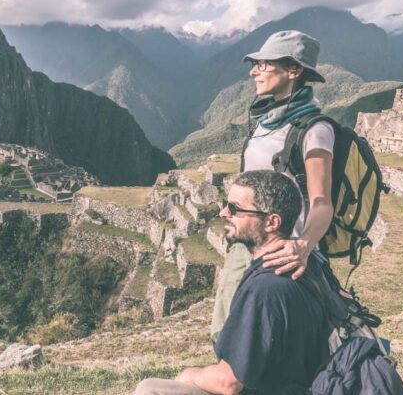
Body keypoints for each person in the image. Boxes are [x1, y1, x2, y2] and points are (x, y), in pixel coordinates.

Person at [133, 170, 329, 395]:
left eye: (235, 208)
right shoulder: (307, 264)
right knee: (149, 385)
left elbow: (229, 383)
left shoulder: (264, 289)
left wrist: (189, 373)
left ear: (271, 222)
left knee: (150, 391)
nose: (223, 212)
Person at [211, 30, 335, 340]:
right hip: (248, 240)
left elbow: (322, 201)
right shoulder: (268, 121)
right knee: (228, 323)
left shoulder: (314, 130)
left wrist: (304, 244)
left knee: (253, 332)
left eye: (264, 65)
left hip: (281, 249)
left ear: (293, 71)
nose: (254, 71)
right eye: (256, 64)